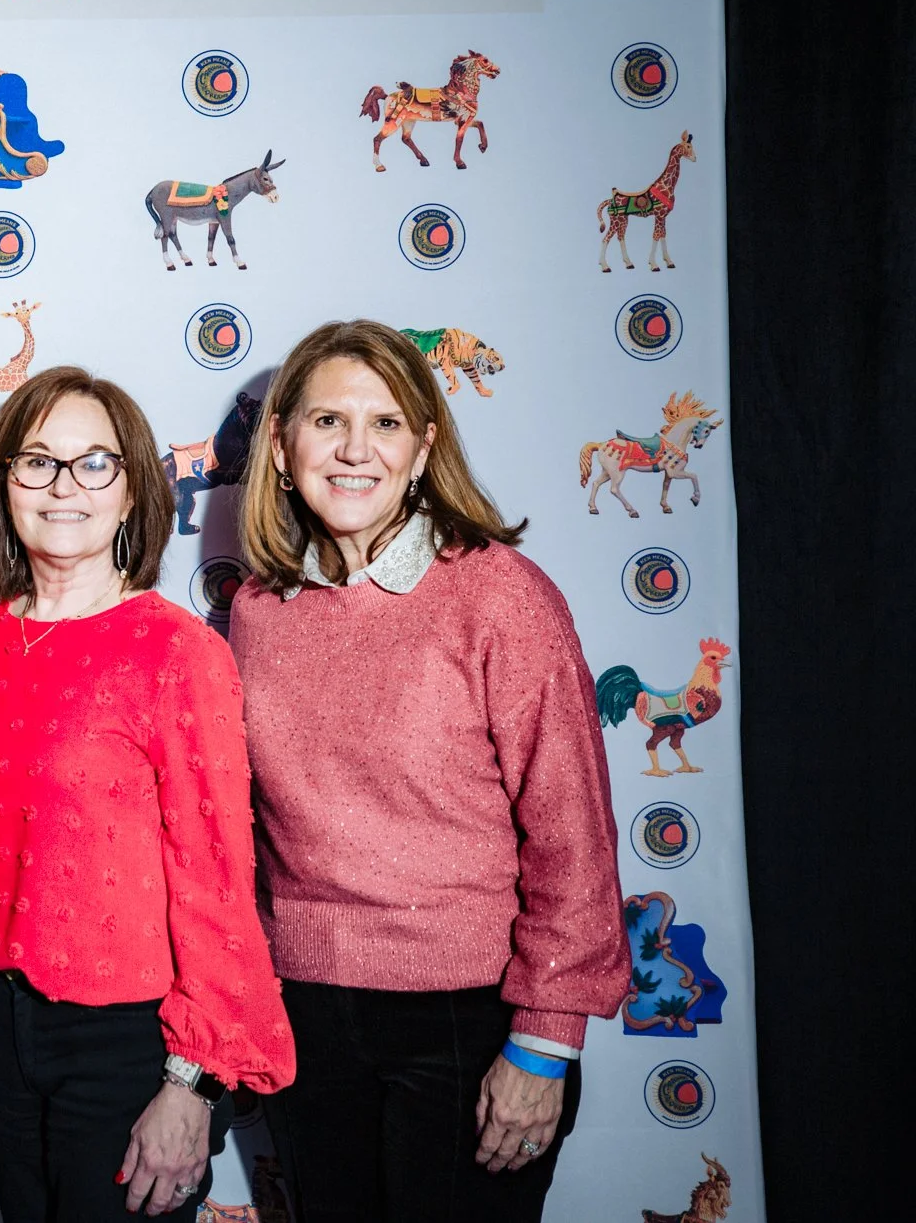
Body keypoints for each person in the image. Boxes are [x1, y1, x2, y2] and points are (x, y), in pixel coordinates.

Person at [228, 319, 627, 1220]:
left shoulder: (499, 595)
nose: (355, 449)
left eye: (386, 424)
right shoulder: (258, 610)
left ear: (423, 449)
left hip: (470, 1020)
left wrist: (545, 1041)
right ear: (284, 447)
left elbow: (573, 833)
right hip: (309, 1018)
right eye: (328, 421)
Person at [0, 366, 296, 1222]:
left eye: (94, 463)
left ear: (132, 492)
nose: (63, 486)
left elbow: (215, 881)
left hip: (130, 1044)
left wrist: (192, 1082)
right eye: (37, 461)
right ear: (2, 485)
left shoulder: (176, 652)